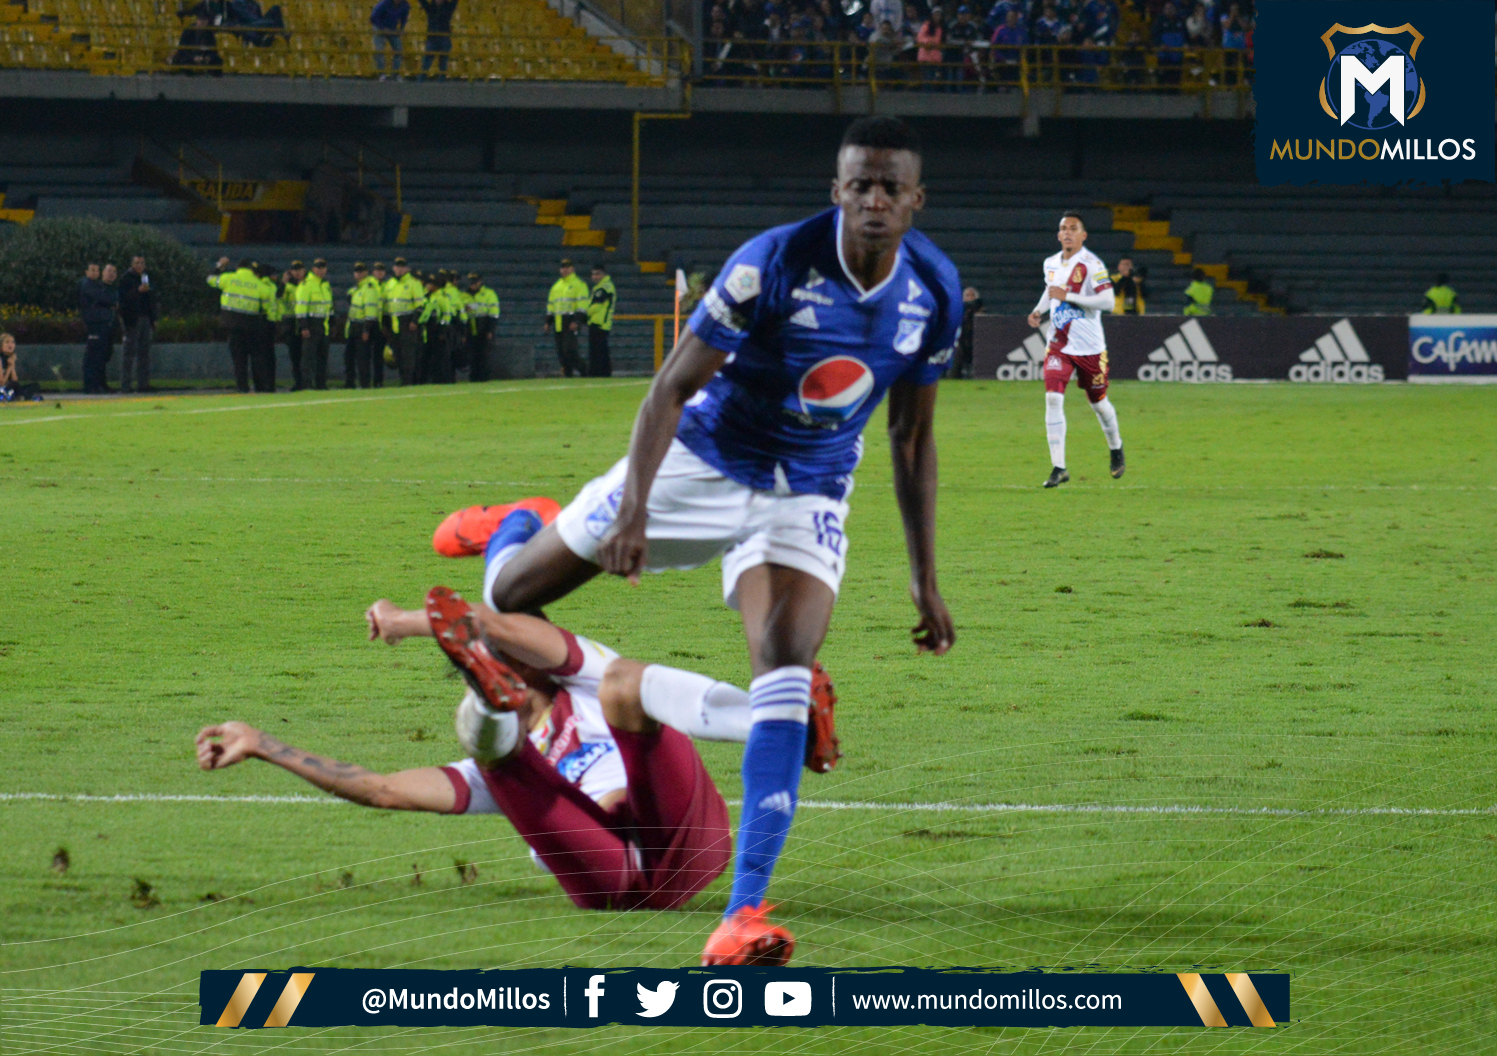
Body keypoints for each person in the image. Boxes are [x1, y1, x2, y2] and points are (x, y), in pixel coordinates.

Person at [451, 116, 958, 966]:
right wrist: (636, 511)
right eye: (858, 184)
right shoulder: (771, 262)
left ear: (915, 200)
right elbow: (670, 387)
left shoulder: (933, 291)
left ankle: (743, 913)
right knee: (507, 602)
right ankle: (510, 524)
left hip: (809, 487)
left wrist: (923, 579)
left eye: (890, 187)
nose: (873, 199)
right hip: (703, 462)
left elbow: (911, 437)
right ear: (835, 192)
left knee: (785, 667)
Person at [198, 577, 837, 913]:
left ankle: (778, 720)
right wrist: (261, 743)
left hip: (682, 844)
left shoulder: (586, 680)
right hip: (620, 884)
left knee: (623, 683)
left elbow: (490, 619)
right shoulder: (506, 774)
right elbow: (382, 789)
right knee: (497, 763)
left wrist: (400, 623)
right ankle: (484, 711)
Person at [1026, 211, 1125, 488]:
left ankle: (1116, 448)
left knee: (1099, 404)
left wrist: (1067, 296)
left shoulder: (1093, 264)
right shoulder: (1051, 263)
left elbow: (1107, 302)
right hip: (1059, 344)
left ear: (1083, 235)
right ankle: (1059, 467)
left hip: (1090, 348)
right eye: (1063, 228)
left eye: (1073, 228)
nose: (1067, 232)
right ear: (1058, 235)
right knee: (1053, 399)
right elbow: (1050, 290)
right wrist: (1038, 310)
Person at [208, 256, 274, 392]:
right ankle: (260, 387)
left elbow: (210, 279)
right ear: (251, 269)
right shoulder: (258, 283)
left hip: (232, 325)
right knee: (256, 357)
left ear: (238, 268)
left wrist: (220, 265)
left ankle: (242, 387)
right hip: (252, 325)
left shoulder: (228, 278)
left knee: (239, 359)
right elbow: (268, 305)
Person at [117, 255, 156, 393]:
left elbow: (151, 300)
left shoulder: (146, 277)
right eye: (137, 263)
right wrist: (137, 291)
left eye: (142, 263)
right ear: (132, 264)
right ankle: (125, 385)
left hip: (145, 318)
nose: (139, 265)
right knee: (129, 353)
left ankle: (143, 384)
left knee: (144, 353)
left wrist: (153, 318)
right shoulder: (126, 279)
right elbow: (123, 299)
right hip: (132, 320)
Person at [78, 262, 118, 394]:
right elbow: (106, 298)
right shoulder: (87, 284)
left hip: (102, 324)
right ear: (86, 272)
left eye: (97, 270)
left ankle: (100, 384)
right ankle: (91, 386)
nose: (95, 273)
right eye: (92, 270)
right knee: (93, 356)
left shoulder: (96, 285)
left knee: (101, 355)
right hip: (94, 324)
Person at [545, 259, 589, 378]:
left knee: (570, 351)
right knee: (561, 353)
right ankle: (568, 375)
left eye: (567, 267)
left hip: (570, 321)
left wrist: (577, 320)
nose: (565, 269)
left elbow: (582, 305)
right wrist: (548, 321)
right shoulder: (556, 286)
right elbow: (551, 305)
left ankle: (585, 370)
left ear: (572, 269)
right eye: (563, 267)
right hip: (559, 322)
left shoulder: (579, 284)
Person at [385, 257, 425, 384]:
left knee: (408, 355)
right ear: (394, 268)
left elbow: (420, 305)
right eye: (398, 266)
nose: (400, 269)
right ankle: (404, 379)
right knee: (398, 354)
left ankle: (408, 381)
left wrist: (415, 321)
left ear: (407, 268)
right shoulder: (390, 283)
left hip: (407, 322)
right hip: (394, 322)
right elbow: (386, 305)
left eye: (402, 266)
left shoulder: (414, 283)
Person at [295, 257, 334, 390]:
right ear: (313, 269)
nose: (320, 270)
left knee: (322, 357)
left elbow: (329, 306)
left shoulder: (325, 285)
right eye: (318, 267)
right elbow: (301, 307)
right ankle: (307, 384)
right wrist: (304, 326)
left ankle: (321, 384)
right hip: (311, 324)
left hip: (323, 325)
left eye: (323, 267)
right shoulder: (306, 284)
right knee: (309, 357)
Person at [345, 262, 379, 389]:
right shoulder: (357, 288)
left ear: (366, 272)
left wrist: (366, 330)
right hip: (354, 326)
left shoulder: (369, 288)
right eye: (356, 271)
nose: (358, 273)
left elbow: (370, 311)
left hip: (362, 326)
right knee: (349, 357)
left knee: (363, 358)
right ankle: (350, 383)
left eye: (361, 271)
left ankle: (365, 384)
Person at [463, 272, 499, 382]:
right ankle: (474, 378)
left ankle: (484, 378)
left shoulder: (489, 294)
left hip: (484, 327)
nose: (473, 284)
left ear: (480, 281)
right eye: (471, 282)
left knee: (484, 355)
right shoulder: (463, 295)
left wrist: (490, 330)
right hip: (470, 328)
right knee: (472, 356)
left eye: (475, 282)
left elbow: (494, 313)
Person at [586, 262, 616, 378]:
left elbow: (596, 306)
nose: (594, 277)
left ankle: (598, 373)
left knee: (598, 351)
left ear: (603, 274)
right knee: (600, 350)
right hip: (598, 323)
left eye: (597, 274)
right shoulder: (600, 287)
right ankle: (603, 373)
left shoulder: (604, 287)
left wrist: (585, 315)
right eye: (593, 274)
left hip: (600, 323)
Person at [279, 260, 305, 390]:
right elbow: (277, 296)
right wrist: (283, 282)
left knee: (306, 356)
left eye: (299, 269)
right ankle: (298, 382)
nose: (297, 272)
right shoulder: (287, 286)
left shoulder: (307, 285)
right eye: (295, 270)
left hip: (305, 324)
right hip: (291, 325)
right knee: (295, 357)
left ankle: (307, 382)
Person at [417, 0, 456, 77]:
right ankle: (421, 81)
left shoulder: (448, 7)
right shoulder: (431, 7)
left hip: (443, 37)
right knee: (427, 62)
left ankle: (441, 82)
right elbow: (423, 2)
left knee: (443, 62)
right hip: (433, 37)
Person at [0, 332, 42, 402]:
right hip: (2, 388)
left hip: (11, 387)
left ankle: (21, 397)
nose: (10, 345)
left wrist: (12, 365)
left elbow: (15, 379)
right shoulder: (0, 359)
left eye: (12, 342)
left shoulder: (11, 358)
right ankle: (20, 398)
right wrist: (10, 366)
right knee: (14, 386)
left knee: (35, 386)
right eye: (7, 342)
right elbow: (1, 382)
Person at [370, 0, 409, 76]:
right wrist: (382, 28)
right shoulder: (384, 3)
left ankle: (395, 74)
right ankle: (382, 74)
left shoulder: (405, 5)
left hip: (392, 29)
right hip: (379, 28)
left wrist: (401, 29)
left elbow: (404, 18)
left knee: (399, 50)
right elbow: (373, 17)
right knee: (379, 51)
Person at [952, 285, 981, 379]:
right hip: (961, 341)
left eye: (972, 295)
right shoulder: (958, 311)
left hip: (976, 341)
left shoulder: (980, 311)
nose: (969, 298)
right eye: (967, 295)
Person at [370, 261, 390, 387]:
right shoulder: (368, 284)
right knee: (366, 355)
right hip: (368, 322)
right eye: (377, 270)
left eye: (381, 271)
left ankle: (378, 380)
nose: (379, 273)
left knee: (378, 355)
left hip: (380, 324)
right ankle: (365, 380)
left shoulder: (387, 286)